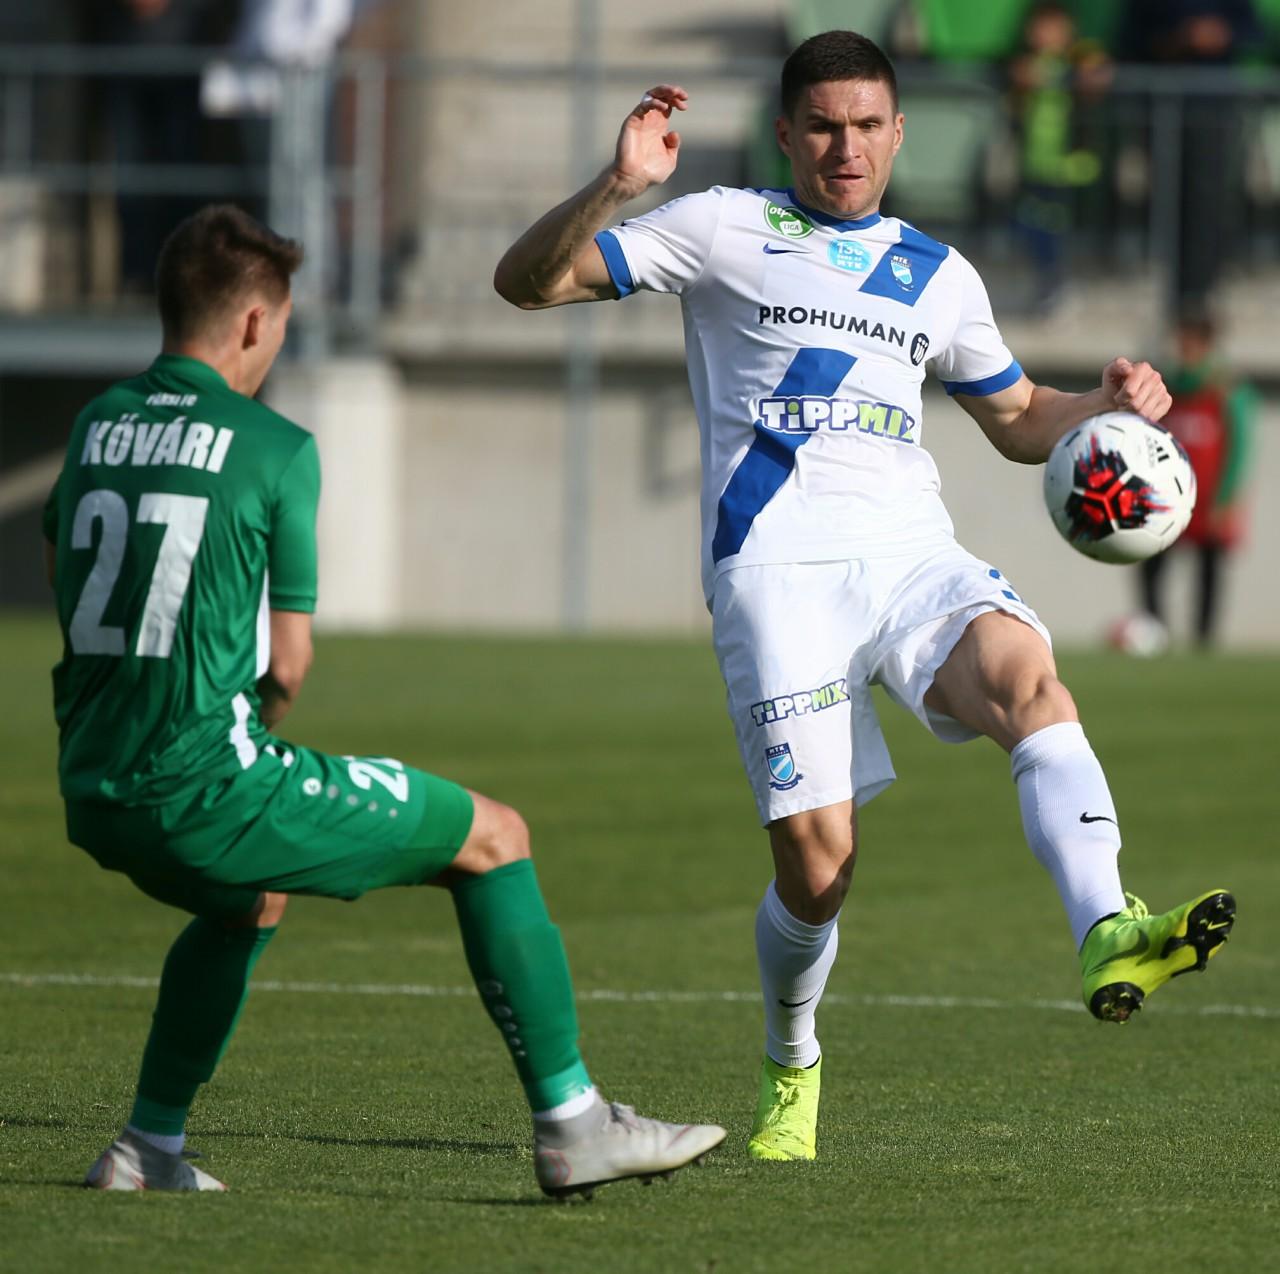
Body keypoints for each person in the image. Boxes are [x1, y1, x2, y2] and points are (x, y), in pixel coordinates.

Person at [494, 31, 1237, 1163]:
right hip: (773, 570)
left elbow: (1014, 418)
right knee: (817, 867)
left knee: (1029, 683)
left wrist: (1104, 404)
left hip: (907, 553)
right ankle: (791, 1056)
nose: (845, 148)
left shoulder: (938, 274)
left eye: (866, 126)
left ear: (898, 134)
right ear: (787, 134)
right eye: (823, 127)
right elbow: (528, 283)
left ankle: (1106, 927)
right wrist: (619, 184)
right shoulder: (719, 225)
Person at [43, 204, 724, 1197]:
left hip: (92, 784)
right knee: (494, 836)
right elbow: (287, 664)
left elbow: (71, 588)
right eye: (280, 325)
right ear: (253, 322)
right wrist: (241, 736)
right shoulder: (273, 446)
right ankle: (575, 1125)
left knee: (247, 901)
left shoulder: (94, 425)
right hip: (206, 788)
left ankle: (147, 1148)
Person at [1138, 305, 1257, 646]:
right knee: (1151, 563)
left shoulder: (1226, 389)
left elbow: (1239, 446)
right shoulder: (1168, 386)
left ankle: (1204, 640)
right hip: (1165, 497)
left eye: (1189, 340)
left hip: (1208, 499)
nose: (1182, 347)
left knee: (1209, 569)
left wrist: (1226, 497)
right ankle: (1154, 632)